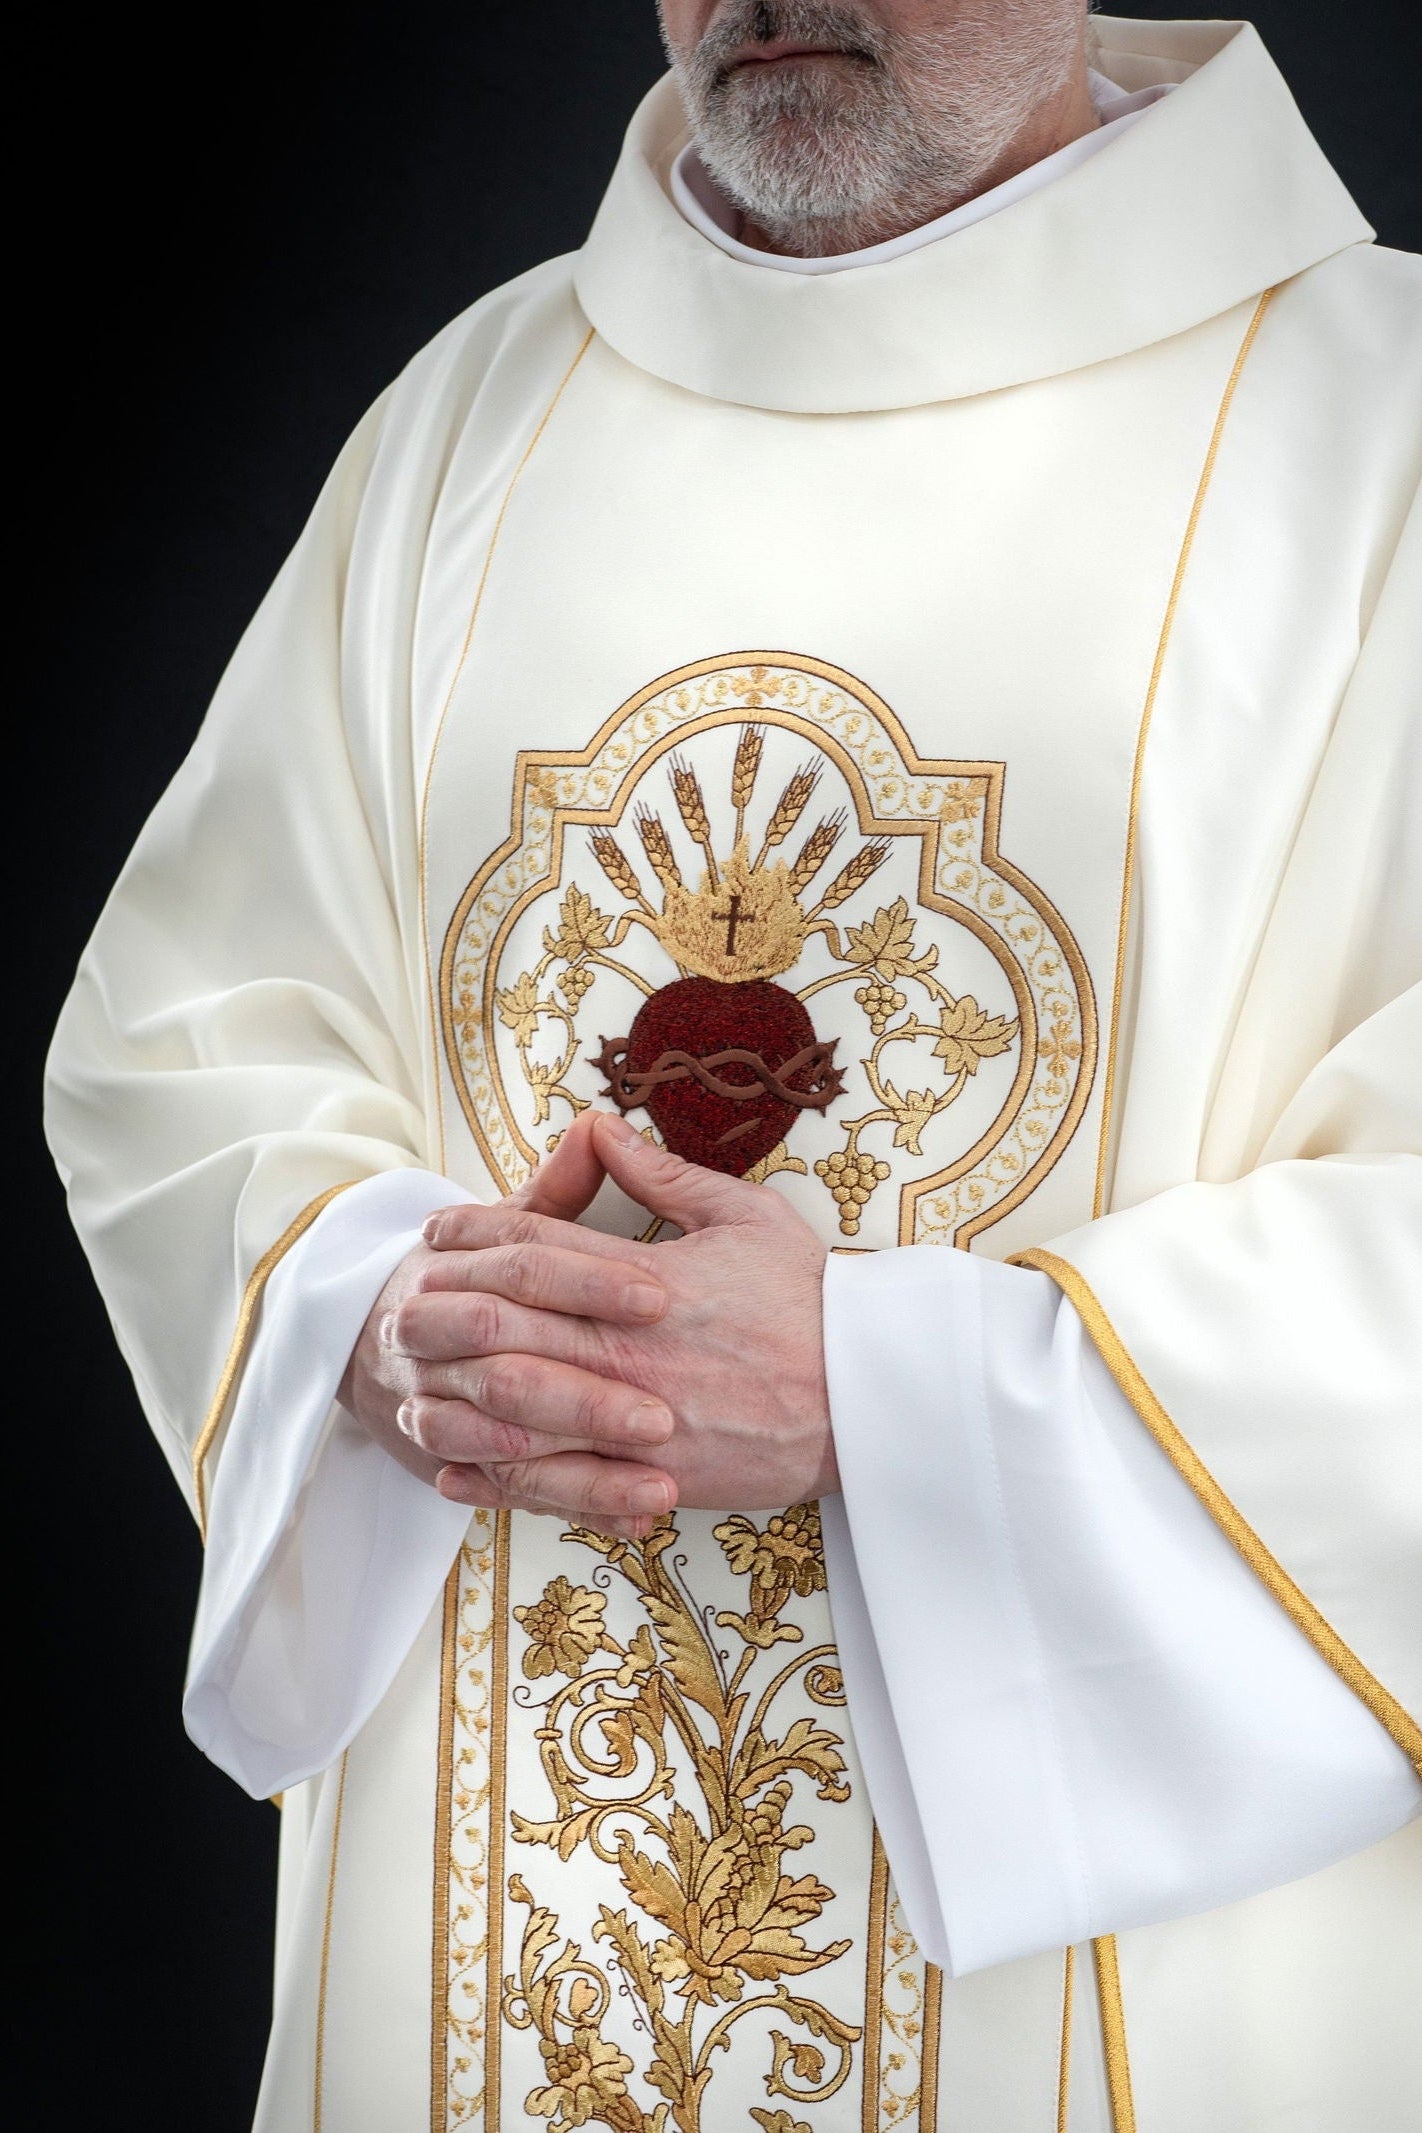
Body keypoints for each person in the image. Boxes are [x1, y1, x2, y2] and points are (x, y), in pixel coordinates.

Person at [46, 6, 1421, 2128]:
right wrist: (374, 1307)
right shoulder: (471, 425)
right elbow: (182, 1045)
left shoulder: (1377, 434)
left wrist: (892, 1387)